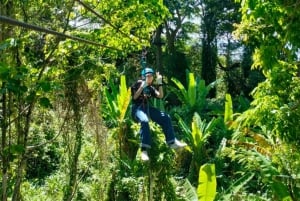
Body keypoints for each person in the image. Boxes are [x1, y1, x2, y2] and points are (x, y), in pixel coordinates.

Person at [131, 67, 186, 161]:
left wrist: (160, 83)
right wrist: (142, 87)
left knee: (166, 117)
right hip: (137, 108)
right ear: (143, 77)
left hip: (147, 108)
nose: (150, 78)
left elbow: (160, 96)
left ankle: (172, 142)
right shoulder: (138, 83)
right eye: (148, 76)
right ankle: (144, 150)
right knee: (144, 120)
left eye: (151, 76)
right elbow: (135, 97)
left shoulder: (150, 88)